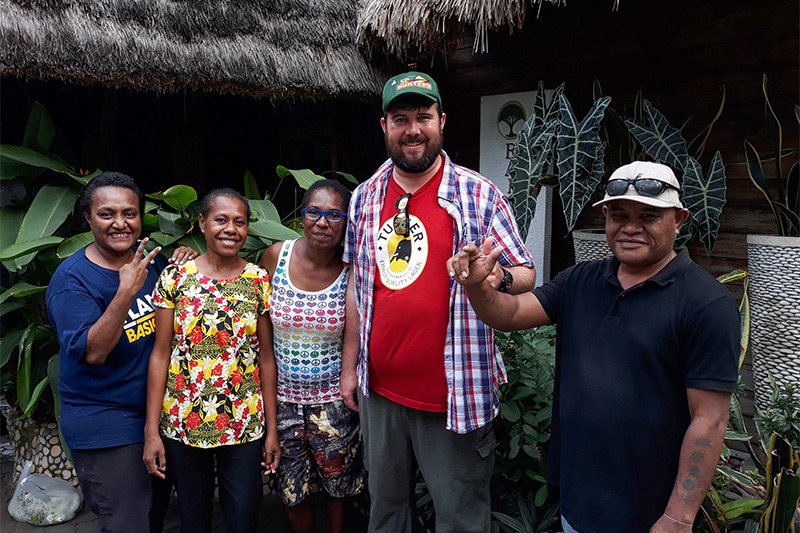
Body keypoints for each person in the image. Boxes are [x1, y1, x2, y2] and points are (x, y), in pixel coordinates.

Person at [447, 161, 740, 533]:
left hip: (650, 513)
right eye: (619, 214)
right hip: (580, 500)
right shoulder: (581, 280)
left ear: (679, 219)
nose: (631, 227)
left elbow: (709, 419)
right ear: (605, 215)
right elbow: (510, 313)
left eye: (648, 216)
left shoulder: (706, 304)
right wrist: (476, 285)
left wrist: (678, 517)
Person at [340, 71, 536, 532]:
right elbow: (357, 287)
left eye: (423, 116)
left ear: (441, 121)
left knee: (460, 518)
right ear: (384, 126)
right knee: (386, 512)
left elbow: (526, 273)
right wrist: (350, 368)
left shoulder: (478, 194)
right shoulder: (365, 198)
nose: (412, 129)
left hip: (454, 393)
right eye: (400, 118)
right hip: (379, 391)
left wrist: (493, 277)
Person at [45, 171, 197, 533]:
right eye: (106, 214)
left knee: (153, 514)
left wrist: (187, 260)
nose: (120, 223)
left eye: (129, 213)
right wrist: (125, 291)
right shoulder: (71, 281)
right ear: (87, 218)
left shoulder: (151, 260)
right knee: (127, 522)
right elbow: (94, 352)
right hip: (107, 418)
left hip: (157, 414)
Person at [143, 188, 280, 533]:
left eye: (240, 222)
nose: (230, 229)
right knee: (193, 517)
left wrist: (272, 430)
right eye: (221, 220)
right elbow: (161, 354)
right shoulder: (175, 277)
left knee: (245, 513)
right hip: (184, 420)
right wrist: (152, 430)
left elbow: (265, 357)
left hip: (244, 420)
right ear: (202, 223)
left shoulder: (257, 280)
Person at [259, 179, 365, 533]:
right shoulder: (276, 256)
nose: (322, 222)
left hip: (334, 403)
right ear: (301, 217)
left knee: (339, 489)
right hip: (283, 401)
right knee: (292, 493)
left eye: (334, 215)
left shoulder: (352, 270)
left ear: (346, 222)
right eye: (314, 212)